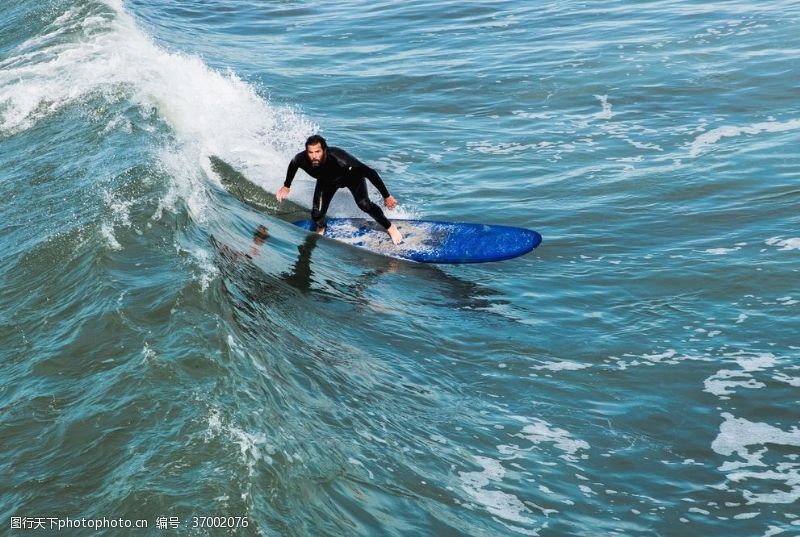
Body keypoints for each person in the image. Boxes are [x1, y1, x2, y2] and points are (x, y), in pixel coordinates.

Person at [276, 135, 403, 245]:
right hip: (327, 182)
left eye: (317, 151)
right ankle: (321, 227)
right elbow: (293, 164)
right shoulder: (301, 159)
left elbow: (370, 172)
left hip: (352, 178)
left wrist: (386, 196)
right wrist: (287, 186)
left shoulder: (341, 160)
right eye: (310, 152)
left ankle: (390, 227)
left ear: (324, 150)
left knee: (364, 204)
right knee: (316, 215)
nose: (314, 156)